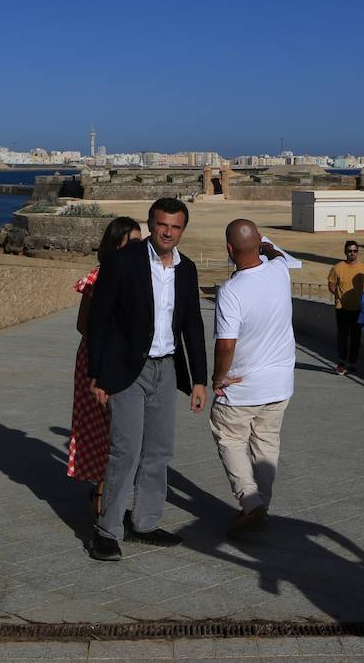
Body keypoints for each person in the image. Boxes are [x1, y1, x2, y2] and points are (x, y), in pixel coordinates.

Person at [85, 197, 208, 561]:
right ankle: (107, 530)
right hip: (126, 370)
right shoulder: (123, 262)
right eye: (161, 225)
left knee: (159, 451)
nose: (168, 232)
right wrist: (97, 374)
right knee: (126, 451)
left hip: (166, 369)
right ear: (151, 225)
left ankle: (146, 523)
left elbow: (193, 325)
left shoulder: (186, 269)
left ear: (183, 230)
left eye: (175, 227)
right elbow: (99, 321)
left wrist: (199, 379)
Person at [210, 219, 296, 537]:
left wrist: (218, 378)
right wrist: (266, 245)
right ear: (258, 243)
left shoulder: (232, 291)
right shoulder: (280, 270)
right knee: (267, 443)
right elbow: (277, 255)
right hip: (280, 384)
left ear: (229, 250)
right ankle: (261, 504)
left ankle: (251, 502)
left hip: (243, 387)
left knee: (229, 438)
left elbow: (226, 344)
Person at [69, 216, 142, 518]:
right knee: (106, 430)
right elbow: (83, 324)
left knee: (120, 431)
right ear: (116, 245)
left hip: (123, 361)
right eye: (133, 242)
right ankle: (102, 497)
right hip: (99, 361)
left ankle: (107, 498)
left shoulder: (139, 275)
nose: (140, 248)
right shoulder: (98, 278)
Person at [327, 240, 364, 376]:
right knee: (343, 335)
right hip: (342, 308)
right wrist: (338, 295)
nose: (352, 253)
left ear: (357, 252)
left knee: (356, 337)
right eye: (349, 251)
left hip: (358, 308)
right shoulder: (337, 267)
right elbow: (331, 284)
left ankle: (352, 363)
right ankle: (341, 363)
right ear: (345, 252)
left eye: (354, 251)